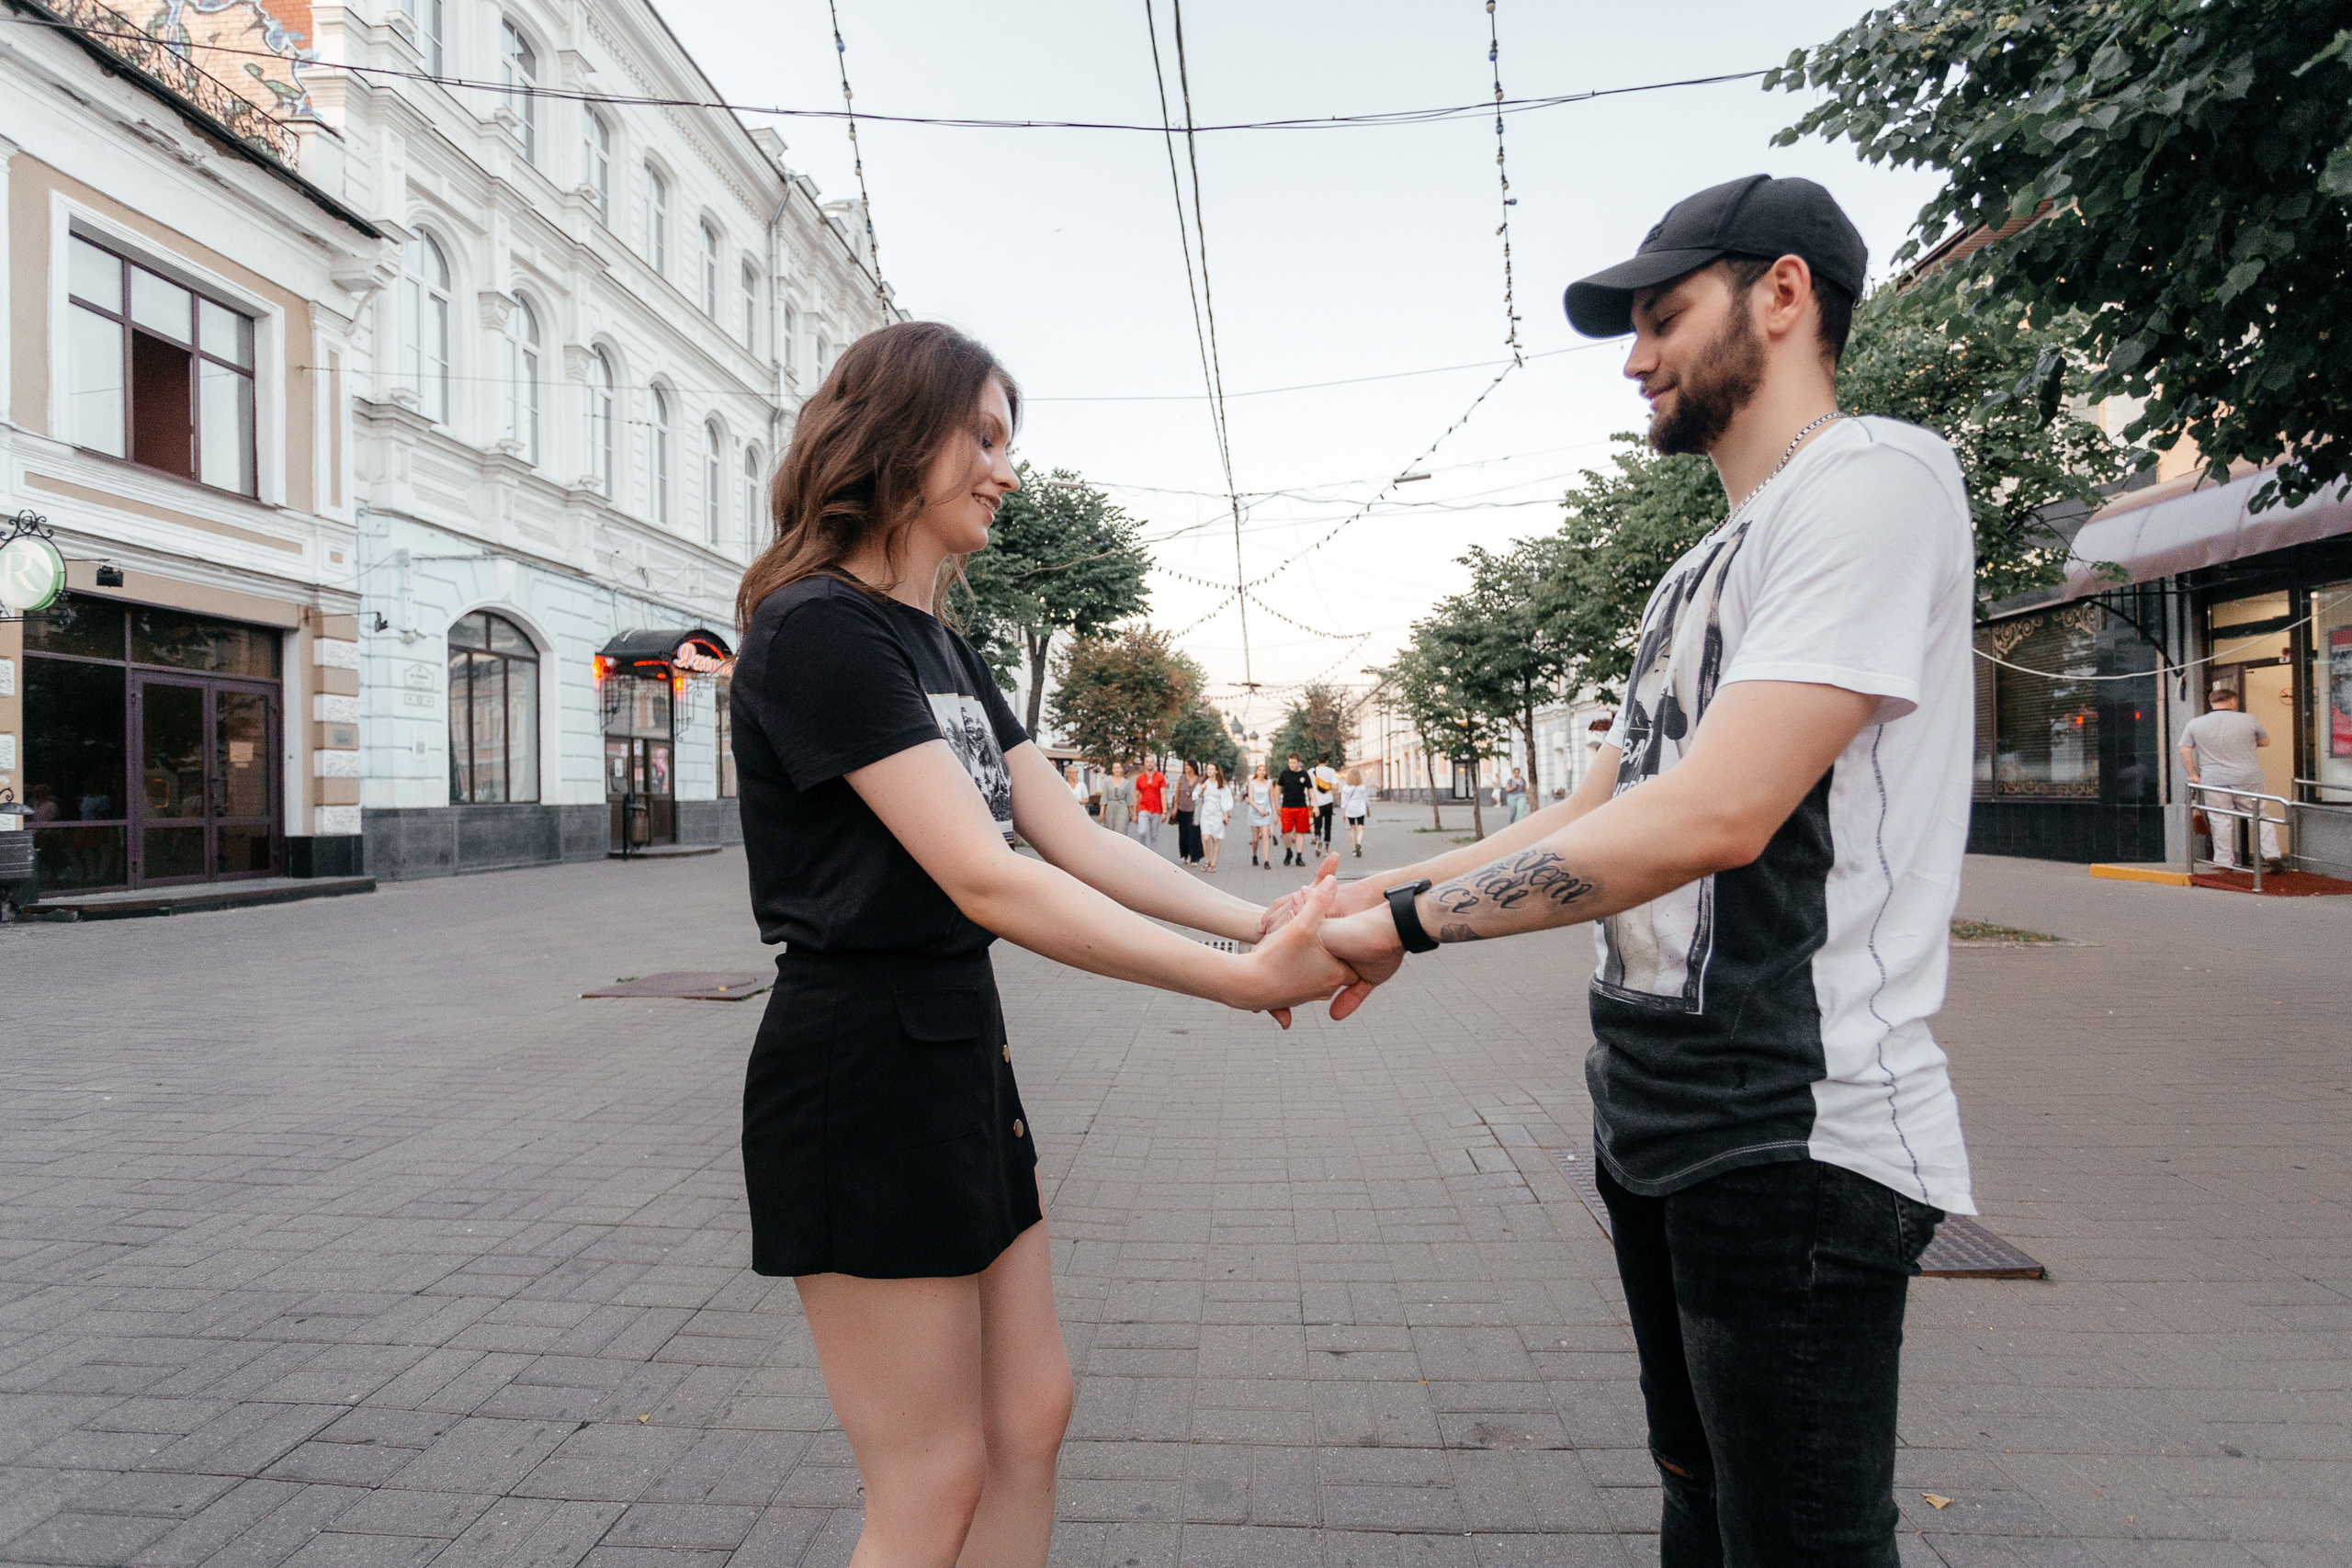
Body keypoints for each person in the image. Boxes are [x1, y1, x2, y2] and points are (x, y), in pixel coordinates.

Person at [1302, 175, 1975, 1565]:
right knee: (1700, 1500)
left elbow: (1722, 812)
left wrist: (1414, 920)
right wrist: (1358, 899)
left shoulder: (1878, 480)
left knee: (1800, 1538)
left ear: (1783, 294)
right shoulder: (1691, 573)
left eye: (1664, 314)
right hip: (1659, 1117)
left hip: (1800, 1131)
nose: (1635, 357)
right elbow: (1601, 803)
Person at [728, 321, 1358, 1568]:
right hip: (859, 1063)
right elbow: (985, 874)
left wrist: (1264, 918)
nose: (1005, 468)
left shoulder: (944, 646)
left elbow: (1062, 832)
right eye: (986, 434)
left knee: (1032, 1412)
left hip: (954, 1050)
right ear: (898, 433)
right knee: (930, 1474)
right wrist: (1237, 984)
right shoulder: (816, 628)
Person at [2180, 683, 2278, 869]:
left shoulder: (2195, 724)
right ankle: (2272, 855)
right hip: (2247, 778)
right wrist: (2245, 745)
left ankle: (2224, 862)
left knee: (2220, 819)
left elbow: (2184, 750)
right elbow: (2265, 741)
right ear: (2232, 701)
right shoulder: (2249, 720)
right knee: (2258, 815)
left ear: (2212, 703)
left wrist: (2192, 774)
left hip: (2214, 781)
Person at [1274, 752, 1313, 867]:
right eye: (1290, 762)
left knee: (1300, 833)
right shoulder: (1284, 774)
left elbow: (1310, 790)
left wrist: (1315, 805)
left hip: (1301, 807)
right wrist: (1276, 805)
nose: (1291, 765)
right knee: (1285, 831)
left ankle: (1299, 857)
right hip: (1286, 807)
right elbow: (1277, 789)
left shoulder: (1304, 774)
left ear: (1298, 762)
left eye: (1294, 763)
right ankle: (1289, 851)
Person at [1198, 761, 1232, 872]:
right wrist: (1201, 790)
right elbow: (1196, 797)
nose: (1209, 771)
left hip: (1217, 814)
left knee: (1216, 839)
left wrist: (1226, 813)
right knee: (1206, 838)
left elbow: (1226, 799)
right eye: (1208, 769)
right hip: (1206, 814)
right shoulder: (1204, 783)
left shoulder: (1221, 785)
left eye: (1212, 769)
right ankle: (1207, 861)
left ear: (1216, 771)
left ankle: (1213, 863)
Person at [1172, 760, 1202, 864]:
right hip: (1182, 808)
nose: (1185, 767)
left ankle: (1194, 857)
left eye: (1187, 765)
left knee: (1193, 833)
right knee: (1183, 833)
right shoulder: (1182, 778)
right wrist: (1175, 807)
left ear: (1193, 767)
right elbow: (1177, 794)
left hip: (1194, 810)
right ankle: (1184, 854)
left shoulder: (1199, 780)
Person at [1247, 762, 1275, 867]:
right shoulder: (1252, 783)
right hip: (1254, 812)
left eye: (1264, 770)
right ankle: (1254, 855)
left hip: (1266, 812)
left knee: (1265, 836)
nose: (1262, 772)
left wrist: (1275, 813)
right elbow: (1250, 800)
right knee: (1255, 839)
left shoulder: (1269, 783)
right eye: (1260, 770)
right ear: (1256, 772)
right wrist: (1259, 810)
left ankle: (1266, 861)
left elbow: (1271, 799)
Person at [1133, 761, 1166, 850]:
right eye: (1147, 762)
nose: (1149, 764)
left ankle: (1153, 856)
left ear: (1154, 764)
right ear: (1144, 764)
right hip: (1143, 809)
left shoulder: (1160, 777)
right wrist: (1134, 813)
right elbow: (1136, 796)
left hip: (1157, 810)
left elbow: (1163, 793)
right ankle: (1144, 852)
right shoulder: (1140, 778)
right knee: (1141, 832)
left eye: (1151, 762)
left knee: (1154, 836)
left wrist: (1164, 811)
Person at [1311, 756, 1340, 855]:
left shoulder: (1312, 771)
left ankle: (1318, 839)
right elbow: (1336, 787)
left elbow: (1309, 788)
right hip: (1328, 802)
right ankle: (1327, 849)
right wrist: (1328, 787)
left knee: (1317, 824)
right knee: (1328, 825)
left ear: (1317, 760)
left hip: (1316, 803)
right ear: (1327, 761)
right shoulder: (1331, 771)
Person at [1097, 761, 1134, 838]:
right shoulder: (1107, 782)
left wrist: (1131, 811)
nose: (1117, 770)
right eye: (1115, 768)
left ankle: (1121, 847)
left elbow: (1129, 797)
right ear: (1112, 770)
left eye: (1118, 768)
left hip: (1122, 807)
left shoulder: (1127, 782)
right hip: (1110, 806)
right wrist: (1102, 812)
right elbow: (1104, 798)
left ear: (1122, 769)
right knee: (1110, 830)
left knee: (1121, 829)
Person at [1340, 767, 1370, 858]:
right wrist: (1368, 809)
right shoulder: (1362, 787)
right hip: (1360, 810)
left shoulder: (1346, 788)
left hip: (1350, 810)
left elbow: (1344, 802)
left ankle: (1354, 849)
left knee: (1352, 829)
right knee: (1360, 828)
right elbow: (1366, 799)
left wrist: (1343, 813)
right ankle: (1359, 842)